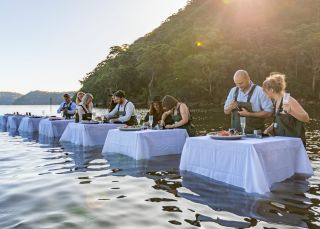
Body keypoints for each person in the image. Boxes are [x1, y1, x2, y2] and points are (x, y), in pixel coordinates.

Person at [262, 73, 309, 145]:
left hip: (294, 143)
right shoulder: (276, 101)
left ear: (271, 90)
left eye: (265, 91)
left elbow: (306, 118)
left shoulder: (288, 100)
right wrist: (266, 131)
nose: (264, 93)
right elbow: (278, 121)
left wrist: (291, 112)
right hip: (283, 142)